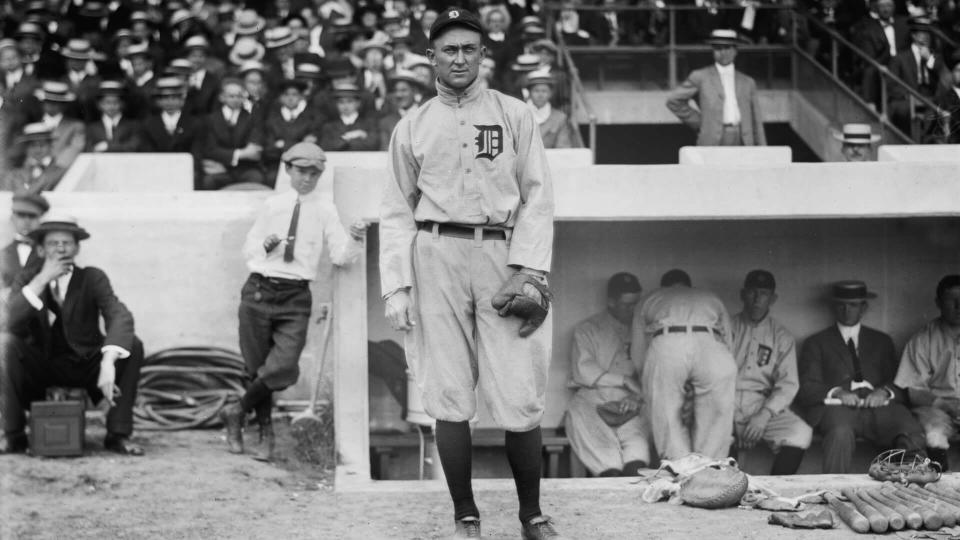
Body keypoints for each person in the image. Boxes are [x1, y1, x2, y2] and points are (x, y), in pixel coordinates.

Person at [379, 8, 560, 540]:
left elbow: (538, 197)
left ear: (484, 55)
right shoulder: (411, 125)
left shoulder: (515, 114)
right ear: (431, 57)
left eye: (468, 48)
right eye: (448, 49)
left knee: (520, 391)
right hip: (434, 252)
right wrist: (397, 286)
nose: (459, 58)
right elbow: (395, 210)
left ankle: (532, 516)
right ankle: (466, 516)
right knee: (448, 392)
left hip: (502, 254)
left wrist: (529, 270)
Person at [220, 142, 366, 462]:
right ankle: (264, 435)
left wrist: (356, 237)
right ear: (288, 170)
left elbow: (341, 256)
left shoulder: (325, 209)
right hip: (259, 290)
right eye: (301, 171)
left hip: (295, 296)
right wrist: (266, 245)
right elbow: (250, 249)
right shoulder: (273, 205)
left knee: (283, 366)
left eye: (314, 173)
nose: (307, 179)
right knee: (255, 368)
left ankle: (236, 410)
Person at [0, 215, 145, 455]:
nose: (60, 248)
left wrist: (108, 361)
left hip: (85, 364)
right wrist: (43, 278)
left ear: (77, 247)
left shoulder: (92, 277)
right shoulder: (27, 280)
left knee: (132, 344)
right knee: (3, 344)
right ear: (40, 249)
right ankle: (13, 435)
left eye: (66, 242)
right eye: (52, 243)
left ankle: (118, 435)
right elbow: (10, 322)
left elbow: (119, 315)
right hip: (41, 366)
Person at [796, 280, 925, 473]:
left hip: (879, 408)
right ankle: (834, 493)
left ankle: (910, 491)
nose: (847, 310)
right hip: (838, 410)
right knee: (839, 433)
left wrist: (884, 392)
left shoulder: (881, 341)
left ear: (863, 307)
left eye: (853, 305)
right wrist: (837, 392)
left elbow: (900, 382)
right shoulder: (817, 342)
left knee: (908, 428)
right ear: (833, 306)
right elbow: (806, 387)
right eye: (841, 305)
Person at [630, 269, 737, 461]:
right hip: (711, 342)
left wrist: (648, 378)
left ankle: (678, 467)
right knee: (715, 419)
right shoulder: (710, 297)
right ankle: (710, 468)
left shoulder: (651, 298)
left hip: (668, 342)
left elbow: (638, 352)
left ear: (664, 288)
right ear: (689, 286)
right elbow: (729, 341)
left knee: (667, 414)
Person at [566, 272, 651, 477]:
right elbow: (583, 371)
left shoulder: (645, 330)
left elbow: (652, 372)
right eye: (626, 305)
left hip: (630, 400)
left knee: (636, 455)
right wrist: (623, 379)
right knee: (606, 458)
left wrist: (637, 396)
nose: (632, 310)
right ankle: (609, 477)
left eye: (635, 304)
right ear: (611, 302)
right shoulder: (588, 329)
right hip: (592, 399)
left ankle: (633, 478)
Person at [730, 270, 812, 475]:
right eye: (752, 292)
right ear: (742, 294)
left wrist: (763, 416)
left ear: (772, 298)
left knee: (800, 432)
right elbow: (711, 376)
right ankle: (724, 490)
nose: (757, 299)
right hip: (724, 401)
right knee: (715, 435)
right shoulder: (725, 327)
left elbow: (788, 384)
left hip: (761, 403)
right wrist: (730, 420)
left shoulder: (781, 335)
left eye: (764, 293)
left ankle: (776, 494)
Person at [893, 275, 960, 470]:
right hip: (937, 409)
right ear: (938, 303)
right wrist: (948, 407)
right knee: (933, 432)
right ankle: (939, 480)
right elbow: (914, 391)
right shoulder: (923, 339)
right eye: (951, 300)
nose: (959, 305)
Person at [666, 29, 767, 146]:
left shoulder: (748, 82)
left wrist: (763, 148)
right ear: (713, 50)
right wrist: (702, 122)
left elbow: (756, 120)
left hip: (743, 138)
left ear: (735, 50)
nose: (723, 52)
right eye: (718, 48)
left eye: (727, 48)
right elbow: (673, 100)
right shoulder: (700, 76)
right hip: (712, 138)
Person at [200, 78, 266, 189]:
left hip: (245, 169)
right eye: (231, 96)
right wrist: (241, 154)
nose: (235, 99)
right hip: (219, 167)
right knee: (208, 181)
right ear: (222, 97)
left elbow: (254, 152)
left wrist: (244, 154)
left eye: (239, 96)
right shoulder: (210, 119)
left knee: (256, 178)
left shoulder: (252, 118)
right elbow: (210, 149)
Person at [888, 17, 951, 134]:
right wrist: (911, 97)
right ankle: (922, 140)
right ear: (914, 36)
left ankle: (925, 139)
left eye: (928, 33)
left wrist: (929, 59)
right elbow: (892, 86)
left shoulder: (936, 58)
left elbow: (945, 80)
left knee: (940, 108)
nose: (926, 36)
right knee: (916, 110)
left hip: (932, 99)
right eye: (923, 33)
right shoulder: (900, 58)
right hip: (907, 99)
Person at [1, 123, 67, 194]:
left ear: (51, 146)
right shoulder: (14, 174)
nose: (37, 150)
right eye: (33, 145)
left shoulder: (61, 172)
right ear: (26, 148)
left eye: (42, 145)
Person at [0, 193, 48, 289]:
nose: (27, 221)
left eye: (32, 216)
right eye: (21, 215)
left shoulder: (49, 253)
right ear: (12, 218)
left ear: (40, 220)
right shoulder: (2, 254)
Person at [524, 70, 578, 149]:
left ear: (550, 93)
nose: (540, 95)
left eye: (544, 91)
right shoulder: (519, 115)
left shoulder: (560, 118)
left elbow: (563, 148)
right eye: (536, 91)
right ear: (529, 92)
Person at [319, 83, 380, 151]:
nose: (345, 106)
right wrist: (350, 137)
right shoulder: (329, 127)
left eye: (349, 101)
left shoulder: (369, 124)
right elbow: (326, 147)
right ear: (336, 104)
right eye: (341, 102)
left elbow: (374, 145)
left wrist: (343, 141)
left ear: (358, 103)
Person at [85, 81, 141, 152]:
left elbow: (134, 146)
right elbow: (88, 149)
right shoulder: (91, 128)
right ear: (99, 105)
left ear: (122, 104)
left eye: (115, 102)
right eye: (107, 102)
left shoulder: (133, 125)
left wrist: (108, 146)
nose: (111, 106)